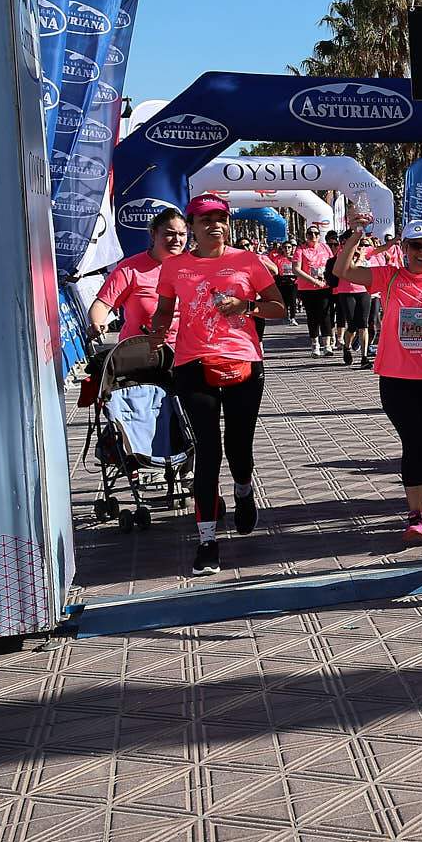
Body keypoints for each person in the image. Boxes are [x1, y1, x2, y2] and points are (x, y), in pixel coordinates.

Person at [143, 193, 285, 574]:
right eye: (205, 220)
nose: (215, 226)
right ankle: (207, 541)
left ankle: (243, 489)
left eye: (220, 219)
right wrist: (157, 331)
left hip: (242, 361)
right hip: (193, 363)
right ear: (192, 226)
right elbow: (164, 310)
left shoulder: (248, 261)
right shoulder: (174, 267)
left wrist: (247, 307)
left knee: (238, 445)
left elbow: (279, 307)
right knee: (208, 450)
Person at [333, 219, 422, 543]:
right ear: (404, 248)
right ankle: (415, 514)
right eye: (416, 246)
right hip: (399, 379)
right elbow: (343, 270)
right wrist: (357, 234)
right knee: (414, 443)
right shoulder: (389, 276)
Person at [89, 205, 188, 351]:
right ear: (153, 234)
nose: (177, 239)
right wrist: (97, 322)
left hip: (186, 352)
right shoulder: (129, 268)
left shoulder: (194, 266)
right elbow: (103, 304)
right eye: (169, 234)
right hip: (139, 353)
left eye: (182, 234)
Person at [328, 231, 375, 367]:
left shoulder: (364, 250)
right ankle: (347, 347)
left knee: (363, 325)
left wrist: (394, 240)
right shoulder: (342, 253)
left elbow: (381, 249)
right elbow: (350, 269)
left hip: (364, 291)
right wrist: (360, 258)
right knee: (352, 325)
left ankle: (364, 357)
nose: (358, 243)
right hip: (346, 291)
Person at [294, 227, 334, 356]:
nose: (313, 235)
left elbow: (332, 264)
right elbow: (296, 269)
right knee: (312, 316)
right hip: (307, 288)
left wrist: (328, 278)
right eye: (310, 233)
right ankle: (315, 344)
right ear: (306, 235)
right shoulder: (301, 249)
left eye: (316, 233)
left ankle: (327, 345)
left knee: (325, 314)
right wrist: (313, 281)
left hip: (324, 286)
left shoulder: (325, 247)